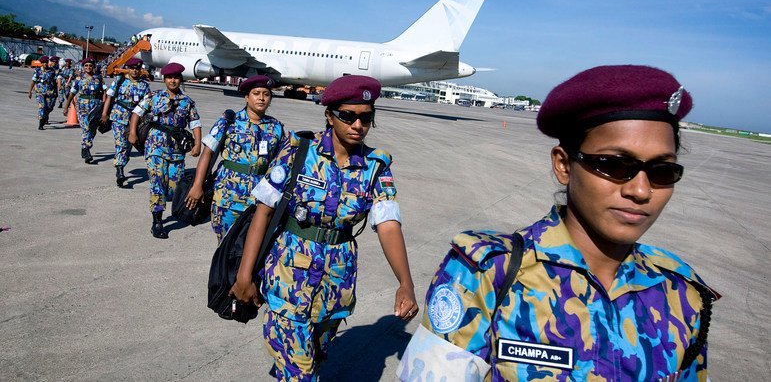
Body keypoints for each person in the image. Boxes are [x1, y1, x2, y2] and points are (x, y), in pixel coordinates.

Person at [398, 65, 719, 381]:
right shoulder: (489, 273)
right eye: (614, 165)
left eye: (663, 172)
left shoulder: (682, 293)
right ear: (564, 165)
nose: (640, 190)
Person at [230, 75, 419, 380]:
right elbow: (263, 213)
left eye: (366, 118)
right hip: (288, 278)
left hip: (335, 285)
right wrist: (244, 274)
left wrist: (405, 283)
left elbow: (388, 225)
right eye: (348, 116)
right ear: (329, 115)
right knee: (302, 373)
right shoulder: (299, 152)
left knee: (312, 359)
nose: (358, 125)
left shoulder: (376, 167)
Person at [184, 75, 285, 242]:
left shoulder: (276, 128)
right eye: (256, 93)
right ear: (246, 97)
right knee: (224, 247)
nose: (261, 98)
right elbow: (207, 153)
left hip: (259, 200)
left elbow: (280, 164)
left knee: (252, 250)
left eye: (266, 94)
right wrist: (197, 186)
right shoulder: (229, 121)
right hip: (227, 196)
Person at [128, 62, 202, 239]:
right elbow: (136, 113)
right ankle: (157, 221)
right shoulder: (153, 97)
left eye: (176, 77)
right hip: (155, 146)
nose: (173, 81)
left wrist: (198, 143)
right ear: (164, 79)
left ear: (180, 79)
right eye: (169, 77)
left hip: (176, 149)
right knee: (157, 182)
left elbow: (195, 124)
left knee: (173, 187)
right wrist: (132, 132)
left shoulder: (187, 102)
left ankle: (167, 206)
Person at [101, 58, 151, 187]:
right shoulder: (120, 80)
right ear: (128, 68)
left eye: (137, 68)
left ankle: (121, 164)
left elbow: (148, 104)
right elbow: (109, 97)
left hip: (134, 120)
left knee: (129, 144)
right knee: (121, 143)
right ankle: (119, 170)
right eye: (132, 68)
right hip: (118, 116)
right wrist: (104, 114)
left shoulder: (144, 85)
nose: (135, 71)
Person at [64, 58, 104, 163]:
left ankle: (85, 146)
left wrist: (104, 105)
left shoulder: (99, 79)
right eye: (86, 65)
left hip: (95, 105)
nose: (88, 67)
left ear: (93, 67)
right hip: (82, 105)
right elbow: (72, 92)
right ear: (83, 67)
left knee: (93, 129)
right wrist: (66, 106)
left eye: (90, 65)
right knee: (86, 126)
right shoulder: (79, 79)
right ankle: (86, 148)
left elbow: (104, 92)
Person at [27, 55, 58, 130]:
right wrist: (30, 91)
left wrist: (56, 92)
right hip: (39, 92)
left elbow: (55, 82)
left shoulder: (52, 71)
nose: (45, 64)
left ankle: (45, 117)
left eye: (46, 62)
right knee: (42, 107)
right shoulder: (38, 71)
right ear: (41, 63)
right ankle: (41, 123)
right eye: (43, 63)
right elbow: (33, 81)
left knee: (49, 107)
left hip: (49, 92)